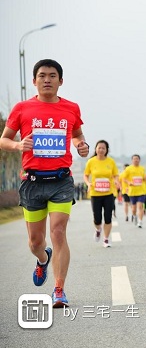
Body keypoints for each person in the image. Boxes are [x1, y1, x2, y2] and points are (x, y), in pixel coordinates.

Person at [0, 59, 90, 307]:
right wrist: (18, 145)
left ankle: (59, 289)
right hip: (32, 182)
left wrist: (81, 145)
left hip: (61, 180)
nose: (47, 80)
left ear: (61, 81)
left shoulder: (71, 108)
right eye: (42, 75)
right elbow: (3, 140)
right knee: (35, 242)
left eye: (52, 76)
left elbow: (77, 134)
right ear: (34, 81)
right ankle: (42, 259)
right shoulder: (22, 109)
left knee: (58, 232)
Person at [83, 140, 120, 247]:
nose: (101, 150)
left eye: (103, 148)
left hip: (108, 193)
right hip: (95, 193)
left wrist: (116, 181)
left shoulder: (111, 161)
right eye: (99, 148)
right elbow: (86, 175)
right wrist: (88, 183)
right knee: (97, 218)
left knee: (108, 217)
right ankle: (98, 229)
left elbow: (115, 174)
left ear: (107, 150)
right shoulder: (91, 161)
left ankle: (106, 239)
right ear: (96, 149)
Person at [121, 154, 146, 228]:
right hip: (132, 191)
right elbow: (124, 178)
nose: (136, 160)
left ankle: (140, 221)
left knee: (140, 206)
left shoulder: (142, 168)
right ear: (132, 160)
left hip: (141, 191)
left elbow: (144, 178)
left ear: (139, 160)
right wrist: (129, 182)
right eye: (134, 159)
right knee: (133, 209)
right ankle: (134, 216)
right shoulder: (128, 169)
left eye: (137, 159)